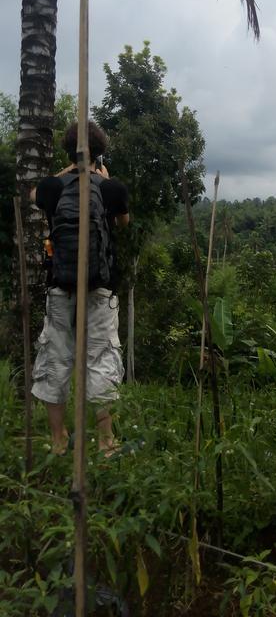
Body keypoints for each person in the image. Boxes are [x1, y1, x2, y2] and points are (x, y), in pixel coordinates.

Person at [30, 121, 129, 457]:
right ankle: (105, 441)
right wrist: (100, 176)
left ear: (68, 151)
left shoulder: (52, 186)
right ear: (99, 152)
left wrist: (67, 170)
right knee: (101, 356)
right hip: (99, 287)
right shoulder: (111, 187)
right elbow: (124, 223)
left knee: (55, 355)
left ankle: (59, 440)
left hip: (60, 287)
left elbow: (34, 196)